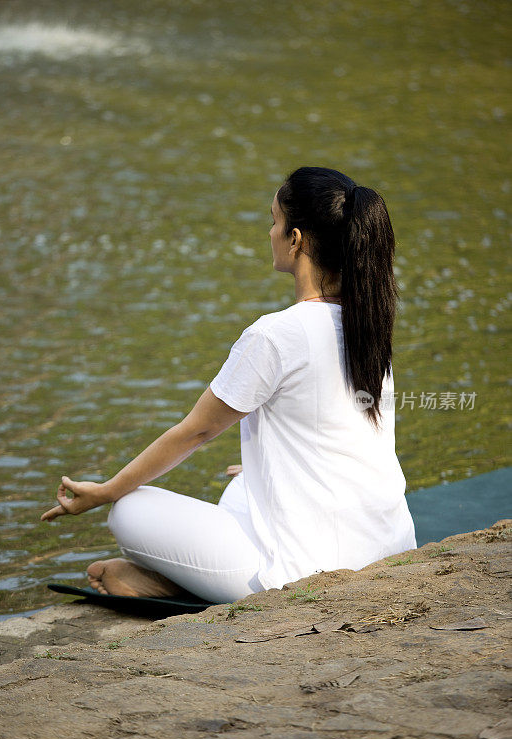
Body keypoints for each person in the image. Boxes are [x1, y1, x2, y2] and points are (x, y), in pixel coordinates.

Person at [40, 166, 416, 603]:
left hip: (310, 572)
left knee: (129, 509)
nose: (270, 231)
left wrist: (105, 491)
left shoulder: (275, 335)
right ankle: (175, 579)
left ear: (296, 240)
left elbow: (196, 431)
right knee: (241, 483)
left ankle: (172, 583)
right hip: (387, 548)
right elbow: (348, 430)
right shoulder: (367, 325)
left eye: (274, 221)